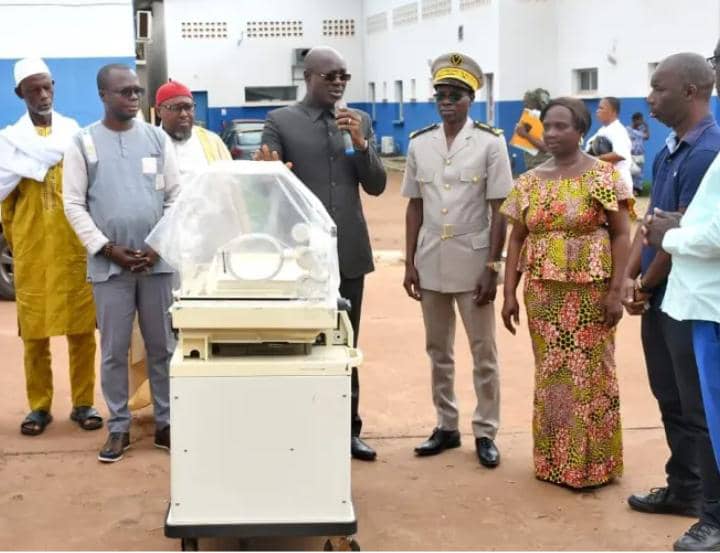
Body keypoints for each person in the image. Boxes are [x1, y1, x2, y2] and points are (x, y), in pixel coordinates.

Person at [255, 46, 386, 461]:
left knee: (346, 344)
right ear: (307, 76)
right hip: (299, 257)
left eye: (344, 76)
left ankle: (348, 430)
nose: (338, 83)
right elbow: (267, 184)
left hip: (347, 253)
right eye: (330, 76)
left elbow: (378, 185)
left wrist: (361, 144)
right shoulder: (280, 121)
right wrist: (270, 173)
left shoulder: (358, 121)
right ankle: (300, 428)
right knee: (298, 343)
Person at [500, 97, 632, 488]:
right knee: (553, 375)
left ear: (581, 131)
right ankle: (555, 463)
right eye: (548, 126)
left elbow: (622, 234)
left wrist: (616, 290)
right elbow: (517, 238)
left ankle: (596, 465)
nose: (553, 133)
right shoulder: (528, 181)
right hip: (542, 295)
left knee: (593, 373)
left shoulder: (602, 176)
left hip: (592, 292)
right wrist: (509, 292)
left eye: (562, 126)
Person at [620, 52, 720, 552]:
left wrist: (643, 284)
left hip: (689, 297)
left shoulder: (709, 152)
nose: (649, 97)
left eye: (659, 88)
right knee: (670, 396)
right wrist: (630, 274)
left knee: (698, 407)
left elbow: (687, 235)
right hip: (662, 295)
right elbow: (652, 223)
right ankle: (684, 487)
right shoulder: (670, 150)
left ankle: (709, 508)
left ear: (691, 91)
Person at [63, 63, 181, 463]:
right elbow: (74, 204)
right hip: (110, 265)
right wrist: (106, 248)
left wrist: (157, 245)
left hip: (155, 262)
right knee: (113, 349)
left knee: (163, 344)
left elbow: (176, 199)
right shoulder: (82, 144)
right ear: (103, 96)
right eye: (124, 92)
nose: (134, 97)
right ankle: (118, 427)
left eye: (136, 91)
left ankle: (166, 423)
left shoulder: (157, 139)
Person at [401, 52, 512, 467]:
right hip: (430, 260)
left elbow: (500, 206)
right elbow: (414, 205)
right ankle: (446, 426)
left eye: (455, 95)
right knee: (438, 350)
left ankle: (485, 430)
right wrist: (410, 262)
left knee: (483, 352)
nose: (446, 102)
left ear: (471, 99)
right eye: (441, 95)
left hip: (474, 260)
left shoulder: (489, 141)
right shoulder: (420, 142)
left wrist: (493, 265)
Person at [0, 58, 100, 436]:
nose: (42, 95)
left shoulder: (74, 134)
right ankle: (39, 406)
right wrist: (20, 241)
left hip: (74, 250)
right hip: (33, 251)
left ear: (54, 86)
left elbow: (90, 189)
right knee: (35, 335)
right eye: (33, 90)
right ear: (19, 94)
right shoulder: (9, 143)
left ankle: (84, 402)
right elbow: (5, 203)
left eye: (46, 87)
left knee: (81, 333)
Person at [155, 80, 231, 179]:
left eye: (188, 107)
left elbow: (231, 181)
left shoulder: (212, 141)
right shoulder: (149, 143)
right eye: (175, 108)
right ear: (159, 111)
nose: (183, 114)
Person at [584, 97, 633, 195]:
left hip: (616, 183)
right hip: (605, 182)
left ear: (613, 111)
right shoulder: (604, 129)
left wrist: (593, 160)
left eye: (601, 108)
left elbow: (620, 154)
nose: (597, 111)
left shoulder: (617, 130)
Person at [515, 88, 551, 171]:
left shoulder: (546, 121)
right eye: (525, 105)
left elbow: (545, 147)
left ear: (537, 105)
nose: (526, 108)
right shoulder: (532, 119)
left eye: (528, 105)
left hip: (544, 168)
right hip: (534, 167)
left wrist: (525, 134)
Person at [626, 112, 650, 195]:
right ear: (635, 120)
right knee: (630, 172)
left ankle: (638, 190)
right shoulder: (628, 130)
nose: (641, 122)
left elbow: (647, 137)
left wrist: (646, 126)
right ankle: (630, 190)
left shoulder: (641, 129)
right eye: (640, 120)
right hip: (631, 155)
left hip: (640, 154)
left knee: (639, 173)